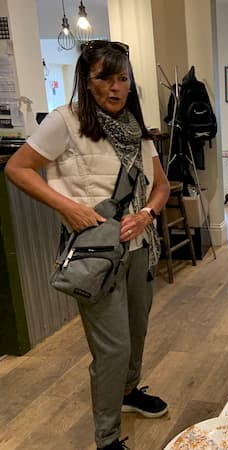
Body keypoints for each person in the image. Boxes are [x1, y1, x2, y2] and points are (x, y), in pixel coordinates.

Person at [5, 41, 170, 450]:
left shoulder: (136, 126)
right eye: (104, 78)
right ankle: (107, 439)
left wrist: (147, 213)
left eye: (122, 78)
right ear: (86, 79)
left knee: (137, 332)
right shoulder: (65, 120)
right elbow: (17, 167)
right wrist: (68, 208)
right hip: (95, 255)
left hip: (138, 250)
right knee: (112, 348)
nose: (116, 87)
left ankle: (129, 393)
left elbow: (161, 186)